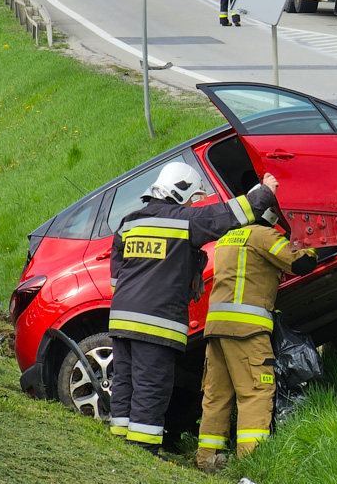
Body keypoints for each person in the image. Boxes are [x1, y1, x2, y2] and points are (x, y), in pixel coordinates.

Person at [108, 162, 278, 456]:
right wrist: (265, 192)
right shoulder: (184, 221)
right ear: (181, 191)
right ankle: (143, 448)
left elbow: (116, 277)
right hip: (156, 321)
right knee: (152, 384)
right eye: (191, 198)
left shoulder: (128, 223)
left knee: (125, 380)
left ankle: (119, 442)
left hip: (121, 318)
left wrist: (190, 271)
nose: (191, 204)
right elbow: (229, 215)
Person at [196, 202, 317, 472]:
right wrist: (311, 242)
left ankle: (206, 460)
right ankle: (251, 464)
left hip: (216, 330)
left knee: (217, 395)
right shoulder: (264, 236)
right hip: (246, 331)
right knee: (255, 393)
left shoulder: (228, 237)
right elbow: (301, 263)